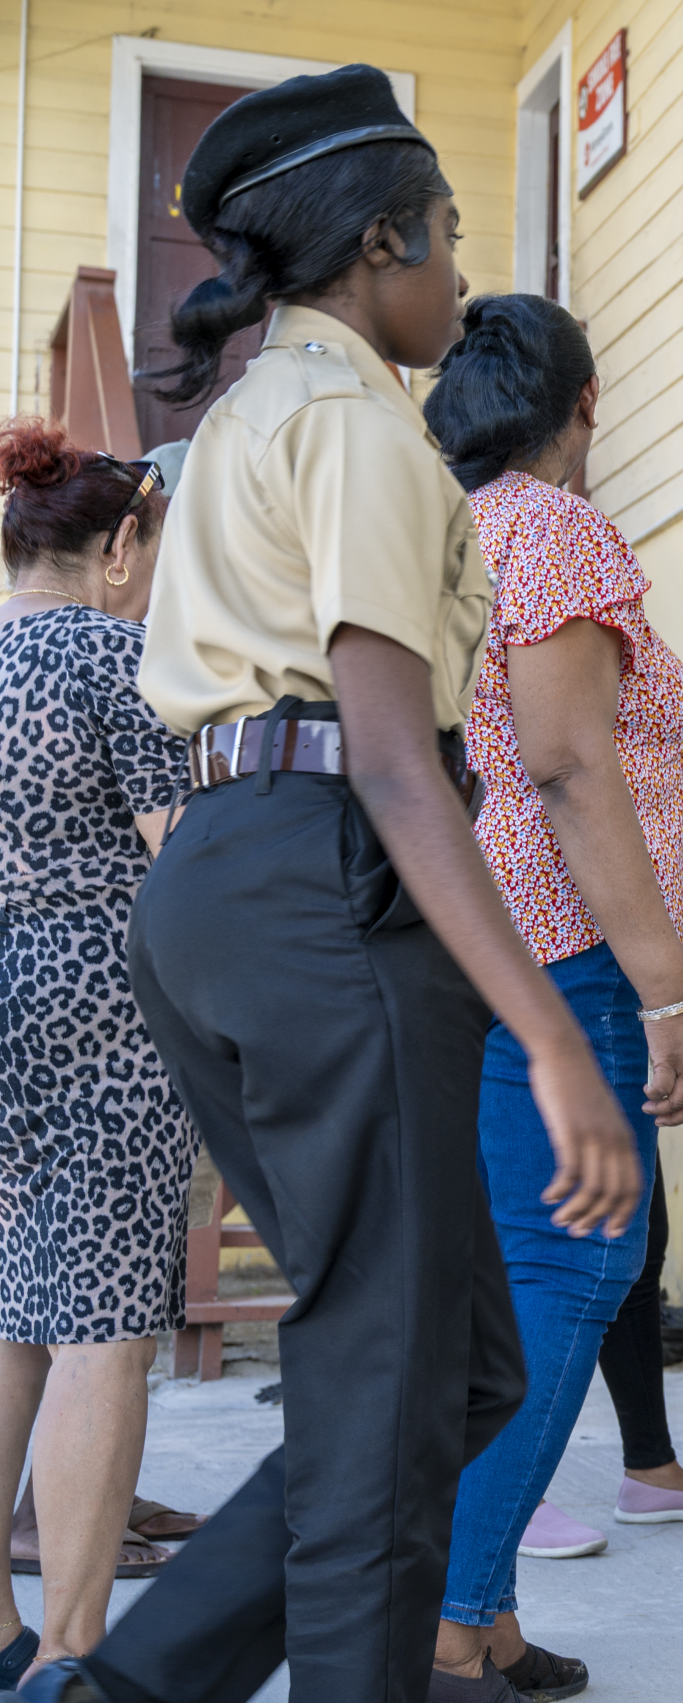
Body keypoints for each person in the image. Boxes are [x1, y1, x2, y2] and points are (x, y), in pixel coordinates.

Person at [21, 68, 643, 1703]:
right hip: (328, 874)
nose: (465, 274)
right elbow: (388, 753)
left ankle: (127, 1682)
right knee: (392, 1376)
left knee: (454, 1361)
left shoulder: (241, 417)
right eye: (450, 233)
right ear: (381, 242)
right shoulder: (358, 423)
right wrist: (557, 1038)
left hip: (220, 881)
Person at [420, 294, 683, 1694]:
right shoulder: (550, 527)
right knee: (578, 1266)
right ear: (586, 403)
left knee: (522, 1275)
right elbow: (566, 764)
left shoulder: (454, 528)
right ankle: (450, 1622)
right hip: (569, 947)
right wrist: (668, 996)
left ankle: (482, 1609)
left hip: (486, 936)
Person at [0, 422, 187, 1686]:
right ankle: (71, 1653)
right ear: (120, 545)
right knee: (104, 1327)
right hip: (103, 1005)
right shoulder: (121, 659)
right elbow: (182, 862)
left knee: (12, 1309)